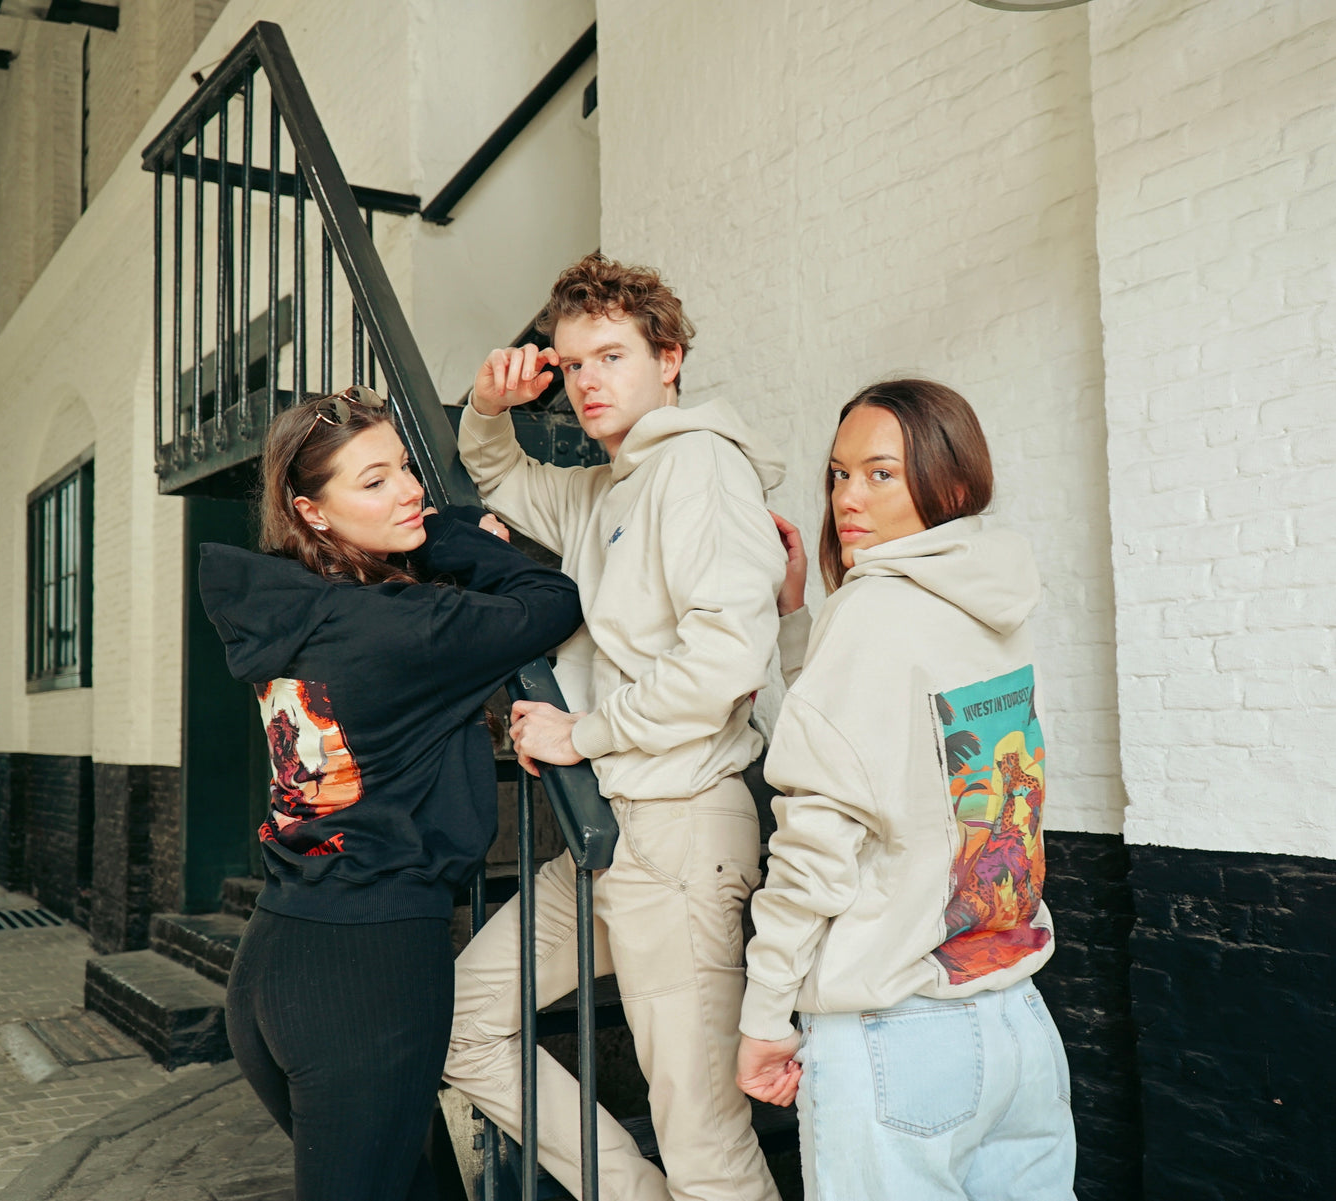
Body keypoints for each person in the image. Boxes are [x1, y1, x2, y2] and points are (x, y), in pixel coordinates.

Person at [443, 253, 785, 1201]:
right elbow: (498, 471)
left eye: (611, 356)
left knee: (707, 1146)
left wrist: (581, 732)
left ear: (668, 359)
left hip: (678, 828)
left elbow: (726, 660)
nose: (586, 381)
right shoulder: (605, 489)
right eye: (570, 363)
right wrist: (487, 404)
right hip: (610, 836)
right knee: (463, 1020)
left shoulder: (698, 467)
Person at [198, 386, 583, 1201]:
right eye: (374, 481)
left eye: (405, 468)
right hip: (367, 970)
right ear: (312, 511)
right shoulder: (406, 629)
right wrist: (451, 535)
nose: (410, 490)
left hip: (275, 958)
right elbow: (552, 601)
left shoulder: (294, 606)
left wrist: (410, 542)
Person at [735, 379, 1077, 1200]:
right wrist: (800, 622)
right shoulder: (994, 601)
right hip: (1015, 1014)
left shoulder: (872, 615)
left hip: (897, 1028)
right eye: (837, 473)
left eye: (879, 473)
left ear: (949, 483)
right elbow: (872, 750)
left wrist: (764, 1016)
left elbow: (818, 840)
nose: (847, 497)